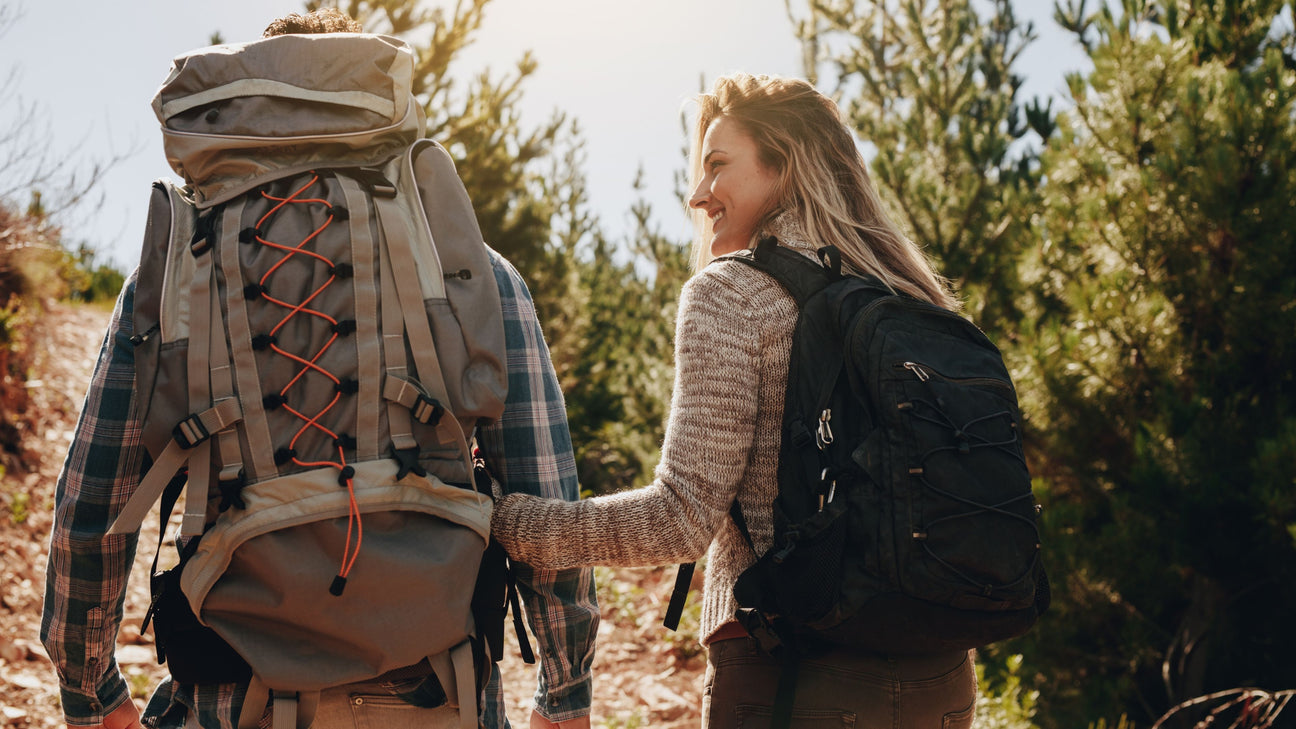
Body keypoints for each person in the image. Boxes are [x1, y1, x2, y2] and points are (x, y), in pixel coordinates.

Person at [39, 9, 597, 729]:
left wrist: (90, 690)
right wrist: (567, 686)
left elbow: (92, 507)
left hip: (234, 694)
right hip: (439, 691)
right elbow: (547, 494)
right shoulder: (468, 272)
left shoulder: (172, 280)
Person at [490, 73, 976, 729]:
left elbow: (680, 519)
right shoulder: (908, 291)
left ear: (784, 166)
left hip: (790, 671)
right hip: (940, 673)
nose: (698, 194)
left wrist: (513, 523)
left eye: (718, 166)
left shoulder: (732, 293)